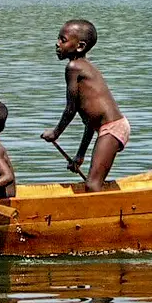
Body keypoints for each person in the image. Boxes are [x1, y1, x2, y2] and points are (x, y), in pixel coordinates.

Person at [40, 19, 128, 193]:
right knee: (93, 183)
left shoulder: (73, 67)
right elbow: (90, 122)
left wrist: (55, 133)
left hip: (113, 128)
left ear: (80, 46)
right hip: (109, 127)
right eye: (58, 39)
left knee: (92, 185)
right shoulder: (83, 67)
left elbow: (70, 109)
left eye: (63, 40)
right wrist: (80, 156)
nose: (57, 44)